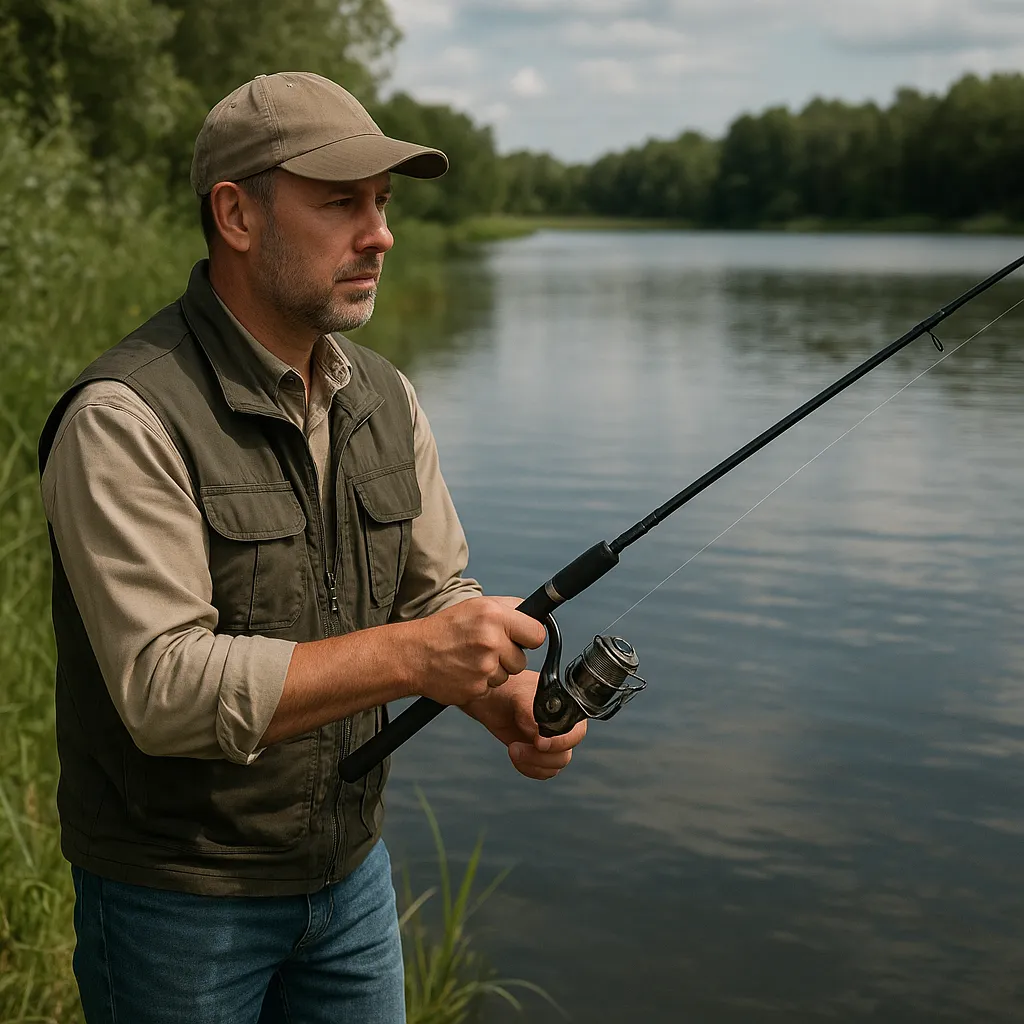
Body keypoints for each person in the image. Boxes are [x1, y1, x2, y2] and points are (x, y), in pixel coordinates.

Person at [38, 71, 587, 1024]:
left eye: (381, 203)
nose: (379, 233)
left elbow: (435, 595)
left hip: (351, 882)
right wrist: (419, 658)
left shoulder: (387, 395)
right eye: (341, 203)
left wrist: (500, 695)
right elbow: (164, 690)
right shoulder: (124, 417)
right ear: (236, 216)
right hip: (176, 902)